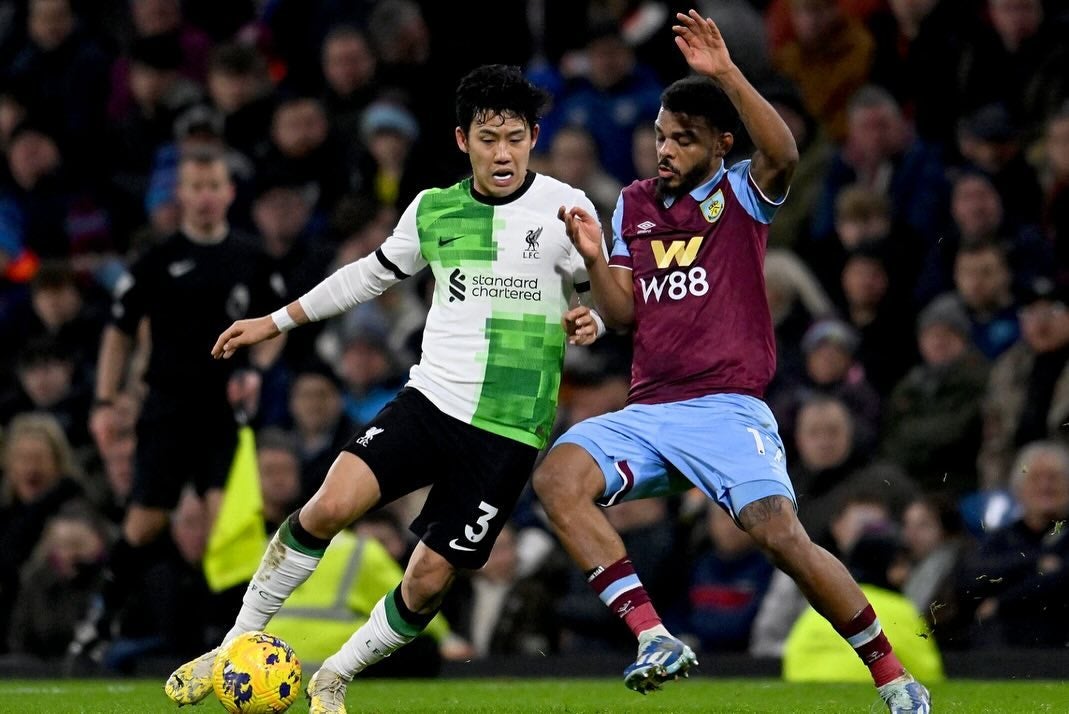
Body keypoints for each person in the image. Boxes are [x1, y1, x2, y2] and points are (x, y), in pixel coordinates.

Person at [164, 64, 604, 713]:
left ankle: (334, 677)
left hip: (510, 428)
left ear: (534, 136)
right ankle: (235, 643)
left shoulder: (568, 211)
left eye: (514, 136)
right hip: (430, 403)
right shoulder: (434, 209)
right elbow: (366, 277)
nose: (502, 151)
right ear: (463, 140)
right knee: (324, 508)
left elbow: (605, 298)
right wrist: (274, 320)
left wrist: (589, 317)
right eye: (488, 137)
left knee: (427, 580)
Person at [532, 10, 931, 712]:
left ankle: (893, 677)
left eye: (682, 140)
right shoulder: (632, 205)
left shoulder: (740, 192)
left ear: (720, 144)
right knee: (559, 478)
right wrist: (595, 258)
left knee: (780, 537)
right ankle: (653, 635)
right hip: (651, 410)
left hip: (726, 407)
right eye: (659, 136)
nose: (664, 150)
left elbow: (782, 151)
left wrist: (725, 74)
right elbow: (625, 314)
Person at [67, 148, 281, 663]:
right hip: (166, 406)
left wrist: (255, 369)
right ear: (180, 194)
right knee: (145, 523)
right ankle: (102, 619)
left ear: (229, 193)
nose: (205, 197)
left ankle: (222, 638)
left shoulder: (250, 257)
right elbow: (118, 333)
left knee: (221, 525)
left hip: (222, 410)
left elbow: (276, 326)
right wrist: (103, 399)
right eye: (196, 187)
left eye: (214, 186)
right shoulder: (155, 261)